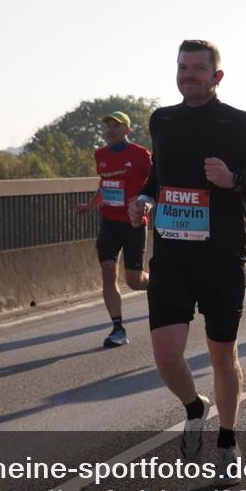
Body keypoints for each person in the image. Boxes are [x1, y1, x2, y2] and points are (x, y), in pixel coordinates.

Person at [130, 40, 246, 482]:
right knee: (166, 355)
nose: (188, 75)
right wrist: (142, 197)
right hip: (172, 254)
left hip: (220, 256)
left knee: (221, 356)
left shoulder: (237, 123)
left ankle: (228, 438)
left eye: (198, 68)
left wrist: (233, 180)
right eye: (182, 67)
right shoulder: (163, 119)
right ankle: (195, 407)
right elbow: (160, 174)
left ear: (217, 77)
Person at [75, 112, 152, 348]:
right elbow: (105, 185)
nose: (110, 130)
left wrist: (146, 204)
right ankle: (117, 328)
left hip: (133, 223)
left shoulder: (141, 155)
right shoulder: (101, 155)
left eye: (116, 126)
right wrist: (89, 205)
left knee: (134, 281)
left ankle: (162, 282)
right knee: (108, 273)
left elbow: (156, 182)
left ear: (127, 130)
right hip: (108, 222)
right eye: (107, 126)